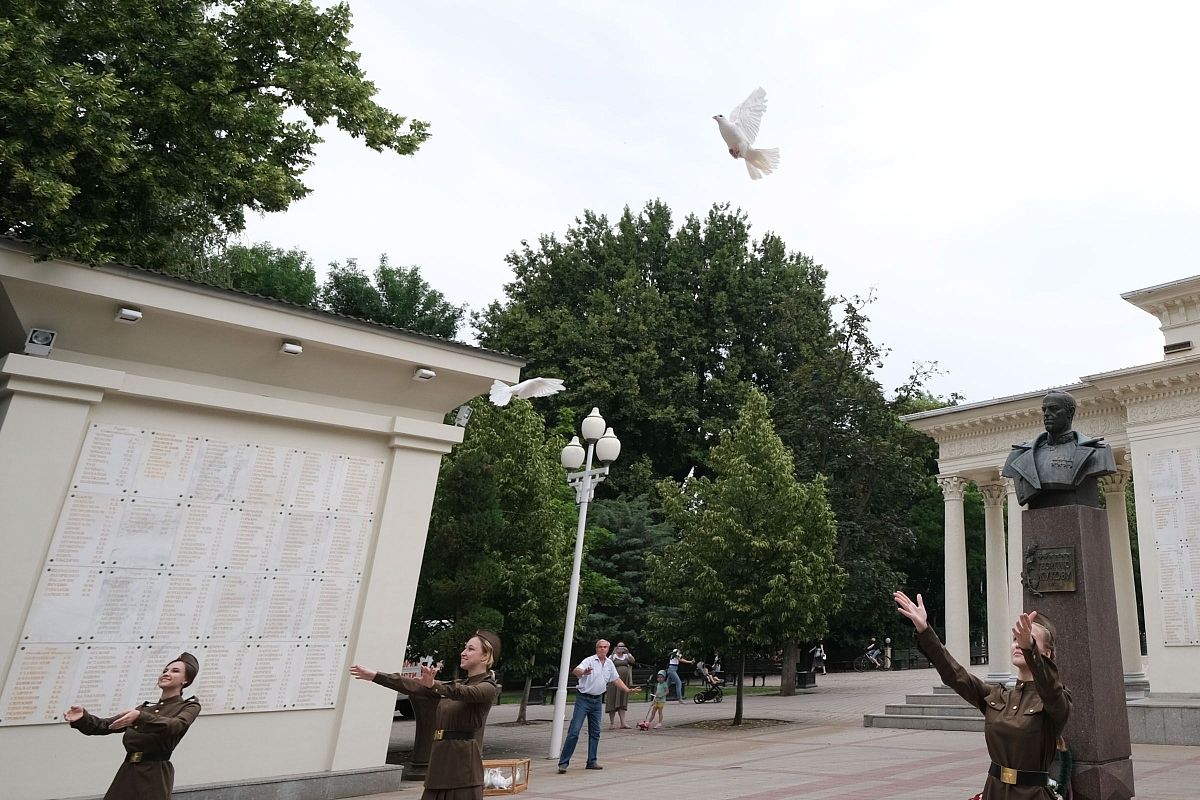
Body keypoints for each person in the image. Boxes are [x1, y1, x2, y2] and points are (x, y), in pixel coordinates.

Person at [894, 591, 1071, 799]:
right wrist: (925, 631)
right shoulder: (997, 696)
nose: (1017, 644)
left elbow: (1050, 687)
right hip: (993, 792)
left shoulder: (1056, 701)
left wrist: (1029, 648)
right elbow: (955, 675)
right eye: (1015, 639)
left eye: (1027, 639)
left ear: (1047, 653)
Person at [350, 630, 501, 800]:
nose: (463, 653)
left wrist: (434, 685)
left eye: (470, 649)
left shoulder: (488, 687)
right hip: (440, 760)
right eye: (464, 648)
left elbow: (464, 693)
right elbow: (412, 685)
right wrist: (375, 676)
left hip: (463, 766)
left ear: (485, 656)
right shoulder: (455, 685)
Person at [65, 652, 201, 800]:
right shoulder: (144, 708)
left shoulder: (189, 706)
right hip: (127, 772)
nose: (166, 673)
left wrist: (139, 717)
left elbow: (176, 725)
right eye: (165, 670)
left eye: (175, 671)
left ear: (186, 680)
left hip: (154, 775)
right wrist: (83, 718)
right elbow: (105, 726)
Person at [1002, 390, 1116, 509]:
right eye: (1044, 410)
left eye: (1054, 409)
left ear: (1070, 412)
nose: (1046, 414)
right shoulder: (1019, 455)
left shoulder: (1097, 452)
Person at [557, 639, 639, 774]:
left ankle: (592, 761)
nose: (602, 649)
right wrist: (583, 672)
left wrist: (627, 690)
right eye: (600, 647)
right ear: (596, 648)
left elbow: (616, 679)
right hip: (583, 699)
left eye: (604, 647)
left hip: (597, 700)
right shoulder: (589, 660)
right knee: (574, 731)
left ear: (608, 649)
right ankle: (563, 763)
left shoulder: (609, 663)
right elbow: (576, 671)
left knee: (595, 732)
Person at [605, 641, 636, 729]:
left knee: (622, 701)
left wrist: (628, 652)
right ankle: (612, 723)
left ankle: (623, 723)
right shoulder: (613, 656)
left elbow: (633, 661)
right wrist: (614, 652)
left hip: (624, 681)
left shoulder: (626, 656)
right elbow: (607, 663)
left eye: (623, 646)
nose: (621, 648)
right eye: (619, 646)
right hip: (614, 682)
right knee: (613, 699)